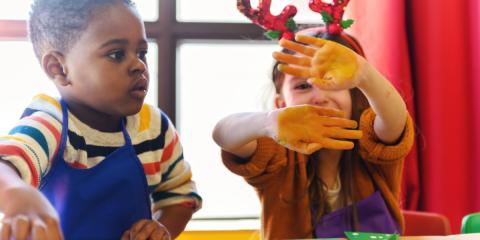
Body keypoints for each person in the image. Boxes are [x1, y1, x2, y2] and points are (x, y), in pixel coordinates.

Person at [0, 1, 201, 239]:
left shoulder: (154, 129)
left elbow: (181, 198)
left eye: (141, 53)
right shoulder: (49, 125)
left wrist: (161, 229)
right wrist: (19, 195)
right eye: (116, 54)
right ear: (59, 69)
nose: (138, 65)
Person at [212, 27, 414, 239]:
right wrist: (269, 122)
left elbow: (395, 123)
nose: (319, 97)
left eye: (331, 82)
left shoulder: (370, 144)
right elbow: (223, 134)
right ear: (281, 104)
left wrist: (365, 75)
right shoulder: (278, 156)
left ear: (353, 94)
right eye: (302, 86)